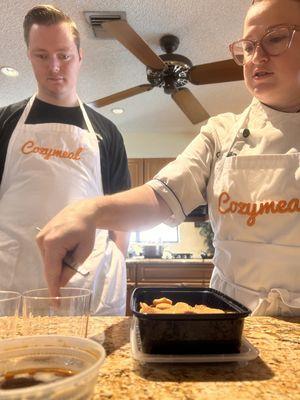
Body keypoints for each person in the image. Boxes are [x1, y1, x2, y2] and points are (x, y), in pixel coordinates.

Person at [37, 0, 300, 316]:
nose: (256, 56)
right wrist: (90, 211)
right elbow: (160, 196)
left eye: (275, 38)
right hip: (231, 319)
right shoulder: (221, 132)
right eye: (248, 46)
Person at [0, 5, 131, 315]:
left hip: (84, 284)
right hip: (12, 281)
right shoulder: (5, 122)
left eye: (64, 55)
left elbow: (121, 215)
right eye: (42, 55)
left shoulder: (106, 132)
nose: (54, 67)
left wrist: (114, 263)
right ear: (30, 57)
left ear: (80, 57)